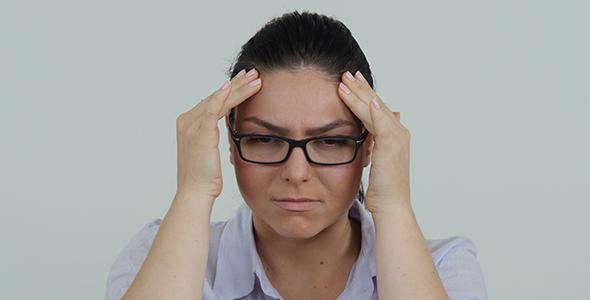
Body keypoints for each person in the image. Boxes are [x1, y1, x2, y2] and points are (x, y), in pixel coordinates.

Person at [106, 11, 487, 300]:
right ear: (229, 139)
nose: (296, 172)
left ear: (371, 144)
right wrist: (193, 189)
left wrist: (393, 205)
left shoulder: (445, 267)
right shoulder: (155, 256)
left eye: (331, 142)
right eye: (264, 139)